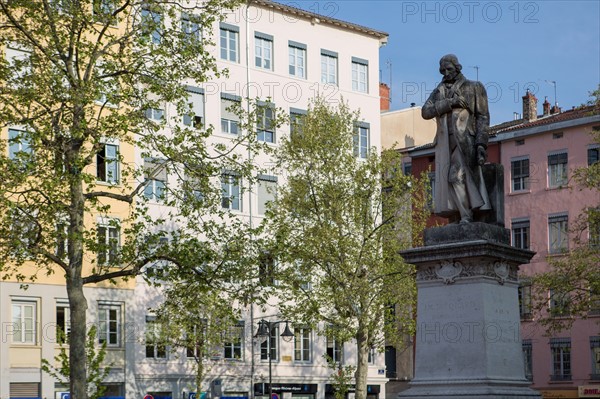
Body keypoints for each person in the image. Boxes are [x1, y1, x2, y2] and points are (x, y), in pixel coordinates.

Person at [422, 54, 491, 224]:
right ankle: (458, 214)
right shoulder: (439, 90)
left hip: (465, 141)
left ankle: (466, 215)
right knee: (448, 179)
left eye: (449, 69)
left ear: (457, 67)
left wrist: (481, 143)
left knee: (455, 176)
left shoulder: (473, 87)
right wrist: (450, 103)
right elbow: (425, 112)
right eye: (443, 70)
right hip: (445, 143)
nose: (446, 73)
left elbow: (483, 117)